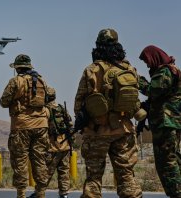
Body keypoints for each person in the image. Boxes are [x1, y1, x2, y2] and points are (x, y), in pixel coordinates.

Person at [74, 29, 142, 198]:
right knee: (126, 176)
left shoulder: (91, 70)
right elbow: (135, 101)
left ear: (98, 46)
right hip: (123, 129)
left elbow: (79, 103)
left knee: (94, 178)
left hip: (97, 131)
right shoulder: (129, 68)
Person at [0, 54, 50, 198]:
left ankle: (21, 194)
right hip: (41, 126)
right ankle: (41, 194)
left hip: (21, 127)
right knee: (40, 161)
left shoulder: (16, 81)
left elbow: (3, 102)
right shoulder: (41, 80)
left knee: (20, 162)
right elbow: (50, 95)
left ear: (17, 68)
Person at [138, 45, 181, 197]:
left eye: (148, 61)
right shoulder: (169, 70)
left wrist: (138, 80)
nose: (148, 65)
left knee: (167, 162)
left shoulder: (166, 71)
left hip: (166, 123)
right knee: (172, 159)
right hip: (167, 123)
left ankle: (176, 193)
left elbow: (153, 90)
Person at [28, 87, 72, 198]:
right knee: (64, 172)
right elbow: (70, 125)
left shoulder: (44, 110)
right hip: (65, 145)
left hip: (52, 147)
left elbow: (41, 129)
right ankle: (64, 194)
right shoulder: (61, 108)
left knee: (46, 172)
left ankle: (39, 193)